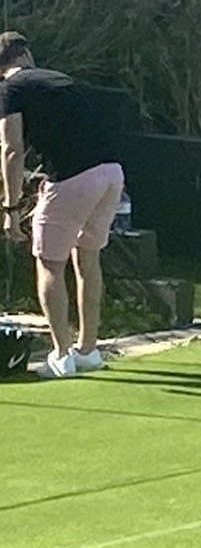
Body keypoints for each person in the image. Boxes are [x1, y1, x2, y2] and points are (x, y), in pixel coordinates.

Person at [0, 33, 124, 378]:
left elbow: (11, 149)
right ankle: (88, 350)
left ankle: (61, 355)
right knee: (88, 256)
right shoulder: (60, 79)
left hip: (74, 177)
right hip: (112, 173)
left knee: (49, 262)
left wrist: (10, 210)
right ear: (26, 55)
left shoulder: (11, 89)